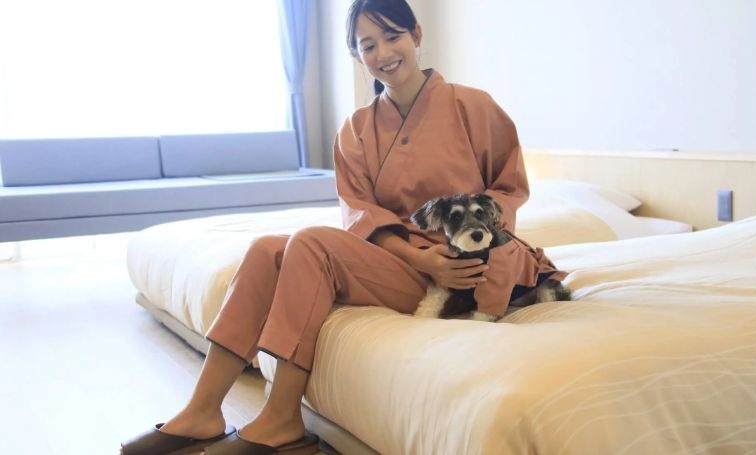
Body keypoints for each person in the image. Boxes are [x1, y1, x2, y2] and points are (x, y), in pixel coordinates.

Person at [120, 0, 565, 453]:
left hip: (457, 271)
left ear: (416, 34)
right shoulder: (356, 128)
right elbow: (359, 211)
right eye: (367, 45)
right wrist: (416, 256)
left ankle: (281, 418)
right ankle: (202, 410)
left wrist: (462, 257)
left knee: (312, 243)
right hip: (400, 260)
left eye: (392, 36)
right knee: (266, 250)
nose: (383, 53)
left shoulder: (474, 106)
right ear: (356, 55)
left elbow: (507, 188)